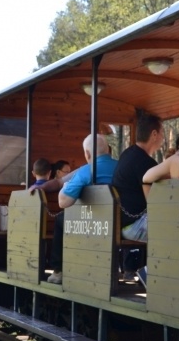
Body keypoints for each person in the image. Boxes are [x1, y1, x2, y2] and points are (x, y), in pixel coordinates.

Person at [31, 134, 118, 284]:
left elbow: (63, 202)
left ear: (87, 154)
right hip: (117, 222)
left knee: (60, 219)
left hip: (93, 223)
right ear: (108, 150)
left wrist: (61, 188)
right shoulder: (120, 167)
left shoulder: (86, 171)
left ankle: (58, 271)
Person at [113, 114, 163, 279]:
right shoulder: (144, 163)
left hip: (125, 223)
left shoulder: (128, 154)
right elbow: (155, 201)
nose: (163, 137)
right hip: (133, 226)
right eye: (162, 133)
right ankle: (149, 273)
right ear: (154, 134)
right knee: (175, 229)